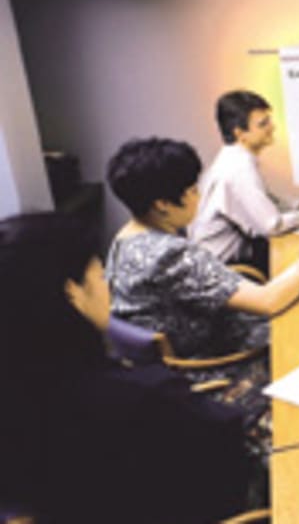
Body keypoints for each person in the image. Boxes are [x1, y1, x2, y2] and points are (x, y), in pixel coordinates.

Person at [0, 213, 255, 521]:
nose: (107, 284)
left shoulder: (17, 409)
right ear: (72, 292)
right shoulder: (144, 397)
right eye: (99, 275)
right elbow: (229, 450)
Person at [105, 137, 299, 363]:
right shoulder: (170, 254)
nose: (198, 197)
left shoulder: (124, 238)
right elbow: (268, 301)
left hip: (193, 342)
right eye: (192, 190)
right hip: (212, 360)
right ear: (163, 204)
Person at [189, 90, 299, 275]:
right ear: (240, 133)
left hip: (227, 258)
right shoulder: (238, 170)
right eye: (263, 124)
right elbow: (271, 226)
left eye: (269, 120)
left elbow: (265, 198)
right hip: (228, 270)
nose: (272, 127)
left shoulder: (234, 158)